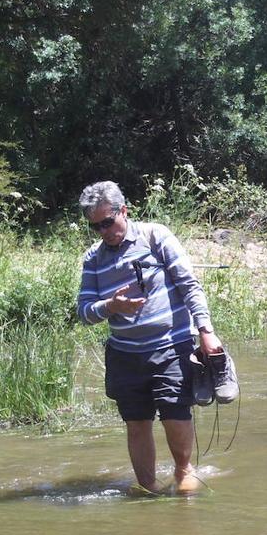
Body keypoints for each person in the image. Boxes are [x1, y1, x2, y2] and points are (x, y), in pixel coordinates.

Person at [76, 180, 228, 495]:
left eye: (108, 222)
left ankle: (184, 471)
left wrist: (206, 331)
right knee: (136, 422)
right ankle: (147, 486)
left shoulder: (155, 236)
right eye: (96, 227)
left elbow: (189, 284)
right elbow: (84, 312)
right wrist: (111, 306)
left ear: (124, 211)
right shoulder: (93, 258)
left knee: (175, 413)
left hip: (170, 345)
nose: (104, 231)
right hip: (124, 353)